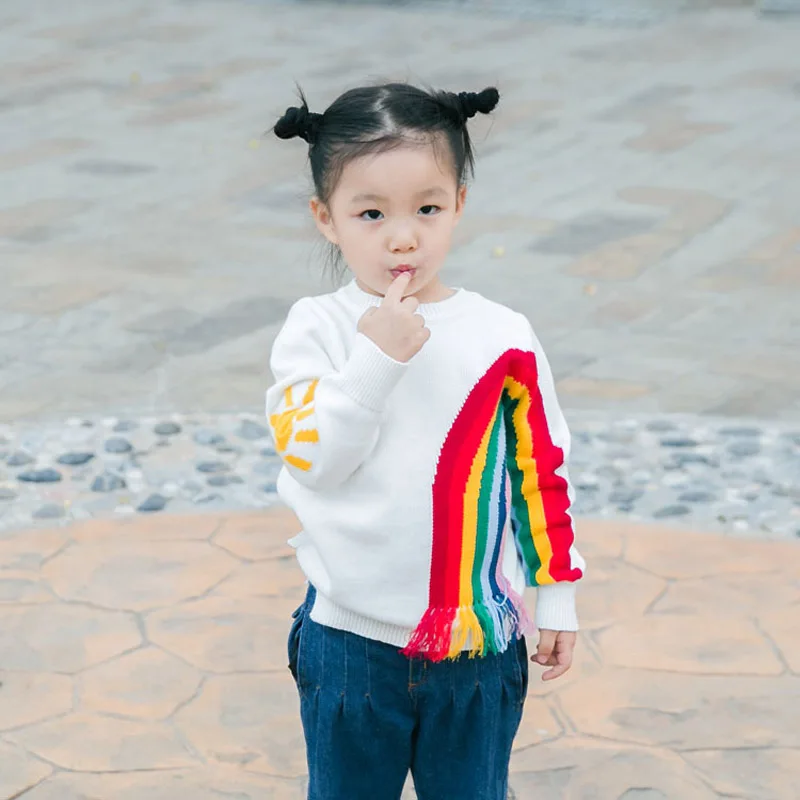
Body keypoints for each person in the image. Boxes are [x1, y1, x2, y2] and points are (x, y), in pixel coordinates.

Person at [266, 82, 585, 800]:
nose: (402, 235)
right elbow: (313, 461)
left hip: (476, 648)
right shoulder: (315, 330)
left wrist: (556, 596)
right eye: (370, 212)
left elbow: (542, 470)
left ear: (459, 206)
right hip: (350, 645)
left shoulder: (502, 334)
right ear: (326, 218)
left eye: (427, 209)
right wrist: (375, 361)